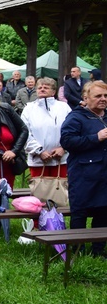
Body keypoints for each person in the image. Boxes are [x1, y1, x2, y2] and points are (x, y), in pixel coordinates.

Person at [60, 80, 107, 257]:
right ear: (85, 98)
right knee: (79, 214)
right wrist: (96, 137)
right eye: (98, 96)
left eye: (105, 96)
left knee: (103, 212)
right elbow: (67, 141)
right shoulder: (76, 117)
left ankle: (99, 251)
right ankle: (77, 250)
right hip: (83, 175)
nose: (103, 99)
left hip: (104, 175)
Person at [21, 77, 71, 179]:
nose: (42, 89)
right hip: (38, 160)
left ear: (53, 92)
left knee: (59, 192)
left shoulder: (64, 107)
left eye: (46, 87)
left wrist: (63, 148)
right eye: (39, 87)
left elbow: (71, 130)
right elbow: (25, 133)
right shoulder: (29, 109)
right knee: (39, 193)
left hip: (61, 159)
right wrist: (39, 151)